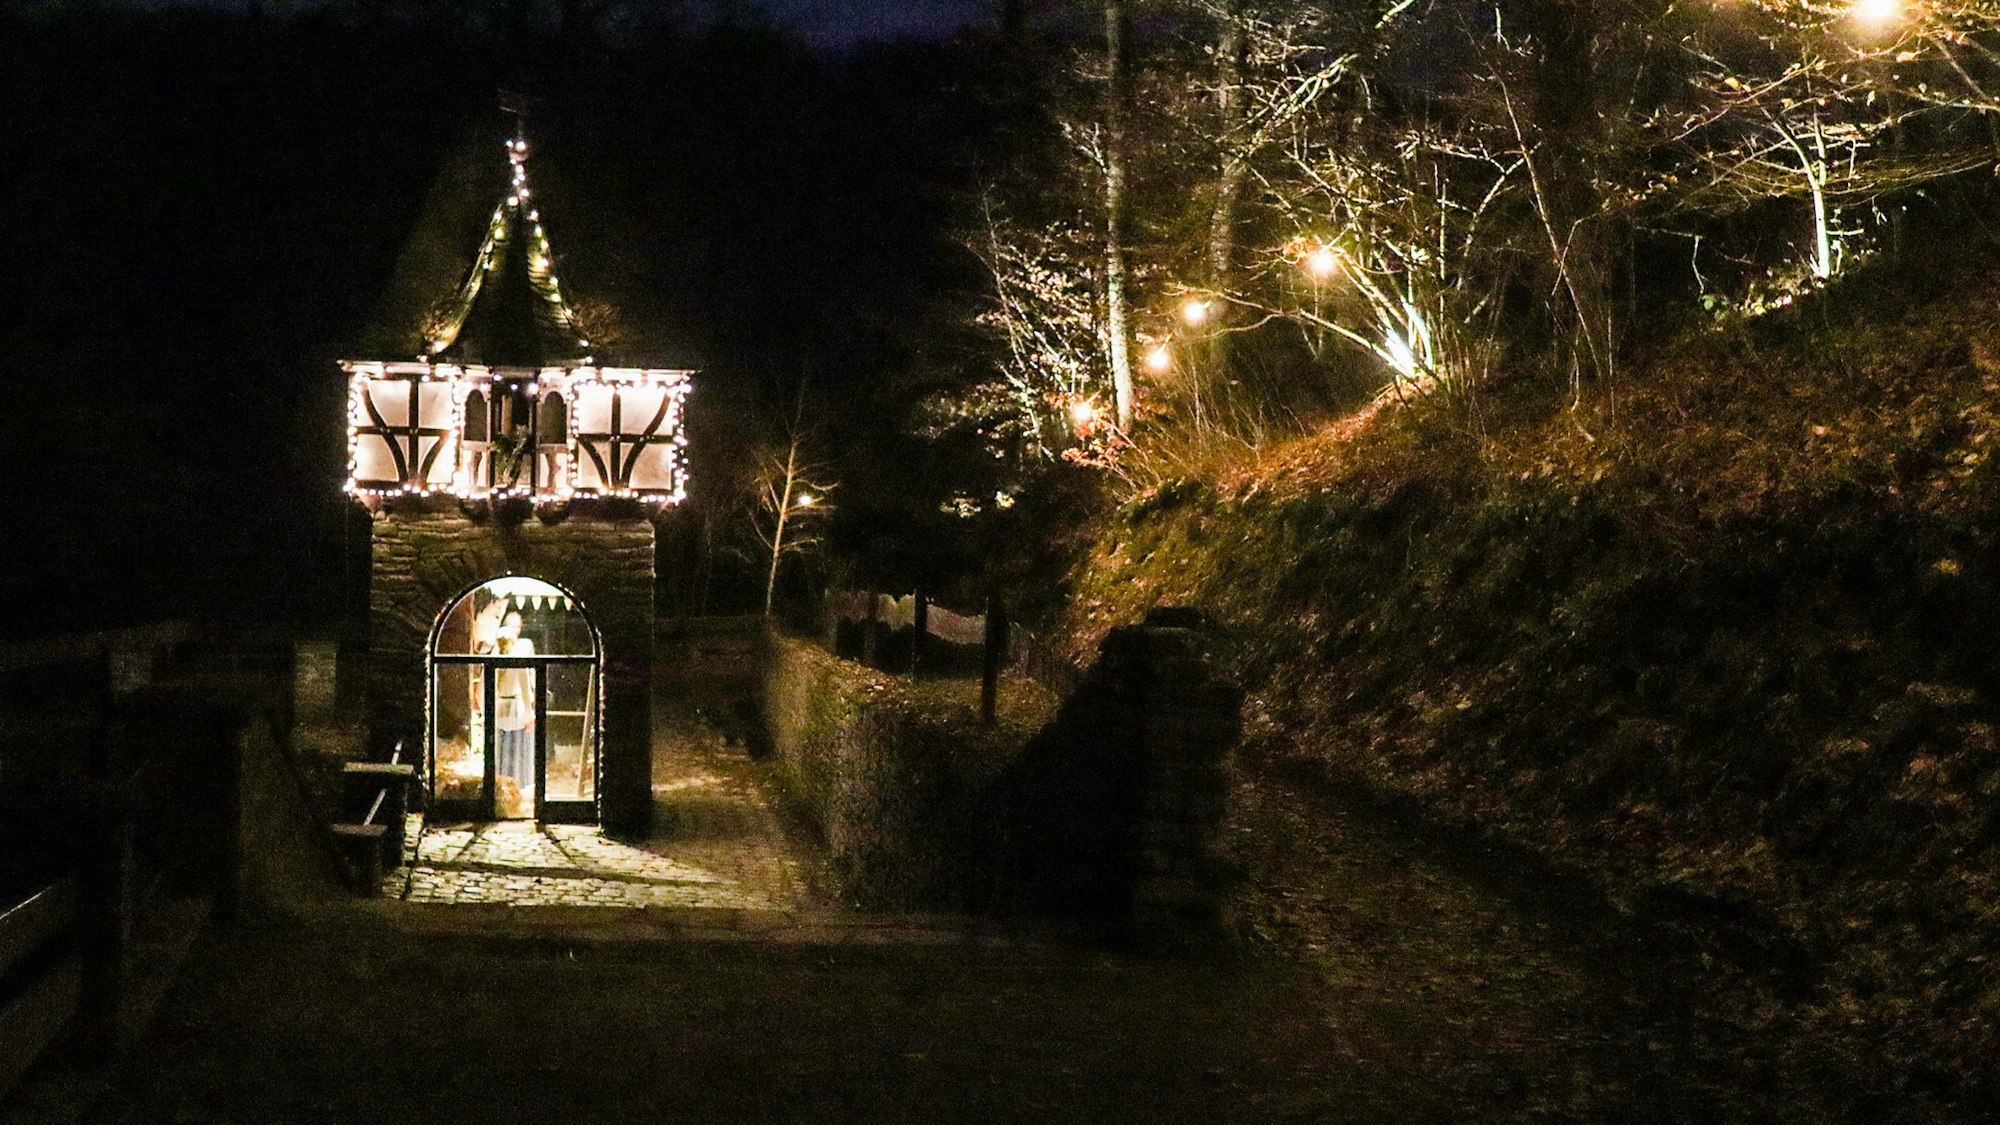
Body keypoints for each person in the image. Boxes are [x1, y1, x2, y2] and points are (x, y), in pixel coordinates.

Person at [493, 609, 537, 811]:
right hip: (513, 709)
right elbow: (526, 691)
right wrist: (530, 714)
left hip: (503, 710)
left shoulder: (517, 652)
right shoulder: (510, 659)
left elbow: (481, 691)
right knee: (511, 750)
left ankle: (509, 789)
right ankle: (506, 789)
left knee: (510, 750)